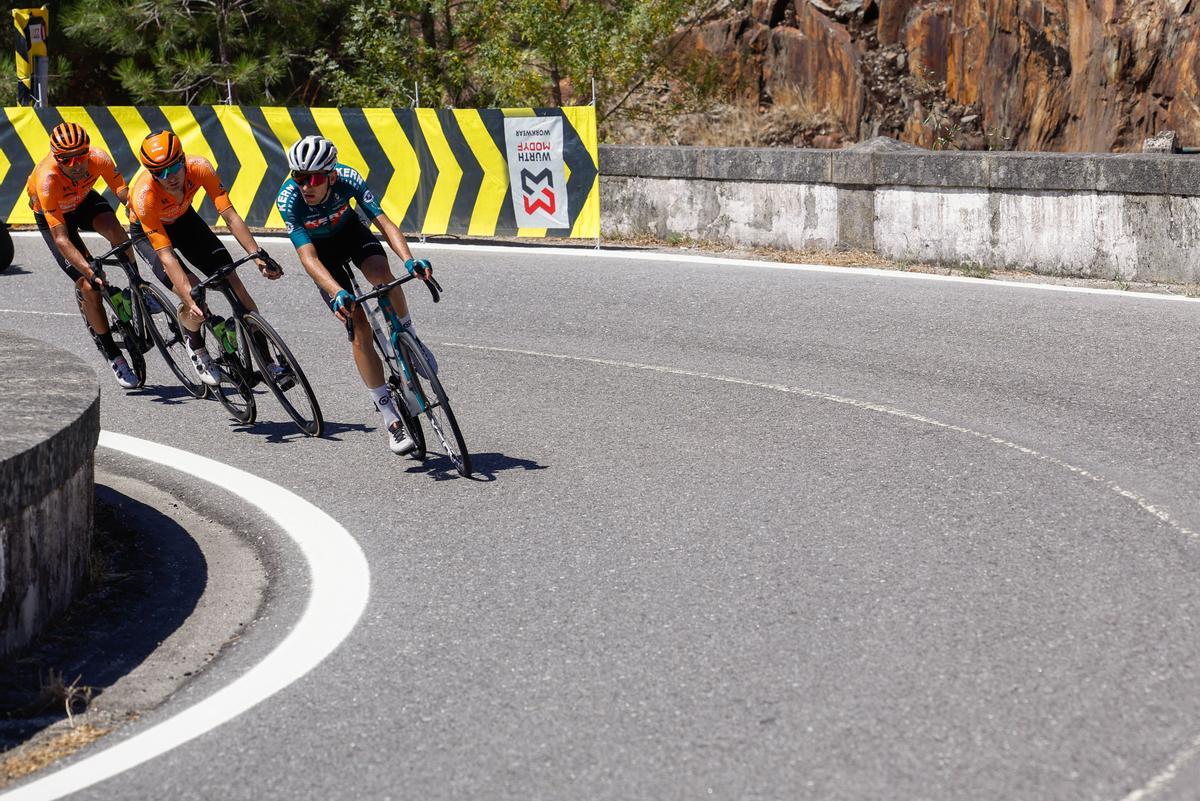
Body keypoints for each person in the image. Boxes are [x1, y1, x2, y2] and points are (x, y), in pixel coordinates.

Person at [275, 134, 437, 454]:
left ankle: (409, 334)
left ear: (331, 176)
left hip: (350, 233)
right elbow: (308, 258)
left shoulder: (348, 178)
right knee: (358, 325)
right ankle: (390, 415)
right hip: (322, 256)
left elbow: (384, 223)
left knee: (382, 277)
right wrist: (336, 292)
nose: (306, 185)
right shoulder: (289, 199)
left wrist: (409, 260)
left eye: (315, 178)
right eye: (299, 177)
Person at [127, 129, 283, 387]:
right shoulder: (144, 196)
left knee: (232, 280)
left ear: (183, 159)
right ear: (152, 174)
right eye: (160, 172)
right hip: (149, 234)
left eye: (174, 167)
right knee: (193, 293)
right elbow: (166, 255)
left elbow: (230, 216)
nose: (170, 177)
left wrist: (257, 255)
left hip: (184, 220)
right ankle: (194, 341)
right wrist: (189, 296)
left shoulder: (200, 167)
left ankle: (268, 363)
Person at [27, 121, 138, 388]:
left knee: (118, 232)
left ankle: (138, 286)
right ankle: (114, 355)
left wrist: (136, 210)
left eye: (81, 156)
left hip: (83, 200)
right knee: (90, 286)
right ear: (57, 158)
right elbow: (62, 239)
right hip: (55, 216)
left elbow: (123, 193)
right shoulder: (47, 179)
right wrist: (89, 270)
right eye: (67, 159)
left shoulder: (98, 159)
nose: (76, 164)